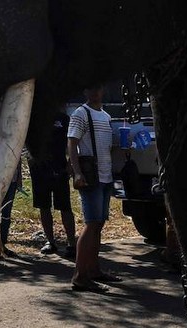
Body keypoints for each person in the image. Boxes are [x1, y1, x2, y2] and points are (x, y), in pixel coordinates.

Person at [68, 84, 120, 293]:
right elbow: (72, 144)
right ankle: (80, 276)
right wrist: (77, 172)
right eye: (90, 88)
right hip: (91, 177)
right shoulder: (81, 114)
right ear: (85, 92)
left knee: (98, 224)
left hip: (106, 177)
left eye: (98, 88)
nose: (95, 92)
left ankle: (94, 269)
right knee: (91, 225)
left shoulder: (106, 116)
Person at [30, 109, 77, 260]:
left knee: (64, 206)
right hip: (39, 169)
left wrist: (70, 163)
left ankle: (71, 243)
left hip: (60, 168)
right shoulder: (34, 118)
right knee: (44, 206)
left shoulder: (64, 119)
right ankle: (50, 242)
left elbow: (72, 142)